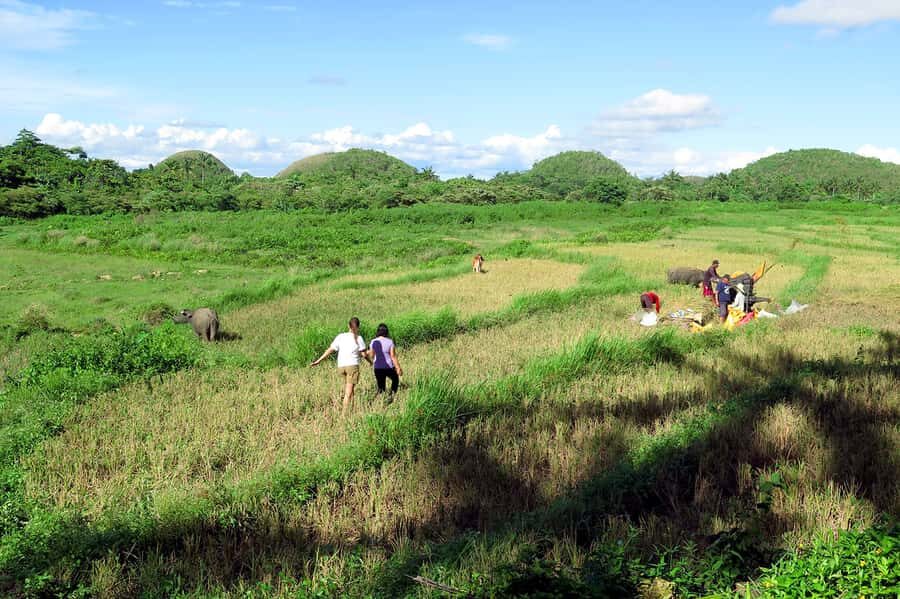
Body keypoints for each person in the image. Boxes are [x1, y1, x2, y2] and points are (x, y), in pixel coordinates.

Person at [310, 317, 370, 413]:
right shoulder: (359, 338)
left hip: (341, 367)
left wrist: (319, 360)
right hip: (352, 366)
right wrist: (370, 362)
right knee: (348, 392)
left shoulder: (340, 336)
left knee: (350, 390)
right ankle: (344, 414)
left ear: (348, 326)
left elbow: (330, 349)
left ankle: (352, 410)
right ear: (358, 327)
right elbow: (364, 354)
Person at [368, 323, 403, 395]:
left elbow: (371, 355)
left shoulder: (373, 341)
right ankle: (392, 395)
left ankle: (382, 401)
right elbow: (393, 356)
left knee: (381, 387)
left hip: (378, 368)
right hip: (388, 367)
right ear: (386, 332)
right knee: (395, 379)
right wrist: (398, 367)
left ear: (378, 331)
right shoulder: (390, 341)